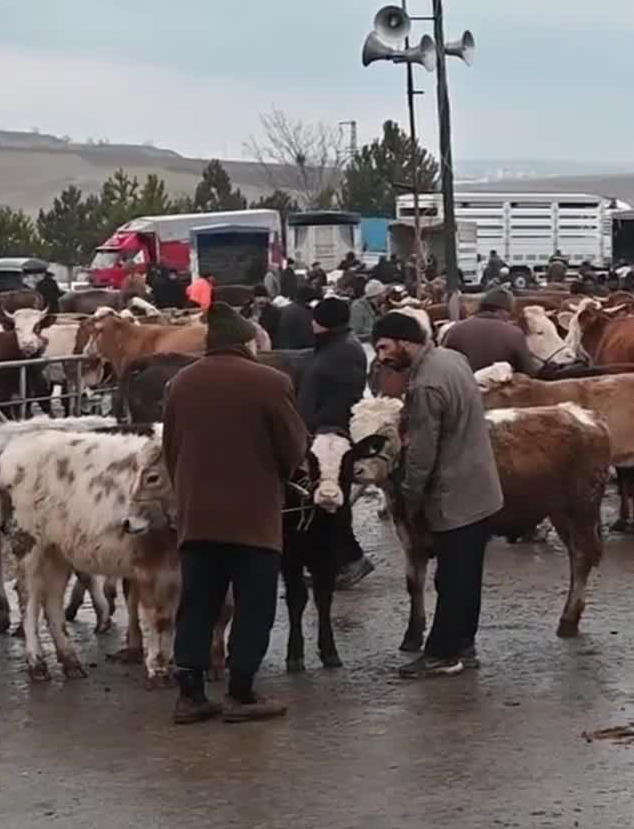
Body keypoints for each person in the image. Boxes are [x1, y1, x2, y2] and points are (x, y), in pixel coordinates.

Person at [161, 301, 306, 723]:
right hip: (253, 517)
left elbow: (170, 449)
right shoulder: (271, 383)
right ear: (246, 342)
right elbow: (294, 449)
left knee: (197, 603)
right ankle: (241, 692)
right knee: (253, 604)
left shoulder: (180, 383)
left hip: (196, 517)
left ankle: (190, 694)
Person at [372, 310, 503, 678]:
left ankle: (443, 654)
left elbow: (422, 453)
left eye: (384, 347)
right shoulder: (452, 358)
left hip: (453, 493)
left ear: (405, 340)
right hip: (481, 486)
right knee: (466, 574)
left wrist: (409, 497)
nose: (381, 358)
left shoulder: (425, 385)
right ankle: (464, 645)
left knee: (453, 578)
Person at [299, 297, 377, 590]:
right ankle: (337, 561)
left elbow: (343, 397)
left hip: (331, 440)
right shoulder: (336, 346)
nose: (311, 323)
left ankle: (350, 560)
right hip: (325, 435)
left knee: (331, 502)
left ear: (324, 322)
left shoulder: (342, 352)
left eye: (315, 318)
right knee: (326, 502)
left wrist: (319, 426)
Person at [442, 287, 543, 374]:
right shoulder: (514, 334)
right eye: (509, 312)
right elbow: (527, 371)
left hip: (463, 391)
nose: (509, 317)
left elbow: (444, 365)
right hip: (499, 394)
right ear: (502, 311)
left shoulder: (454, 330)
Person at [272, 285, 316, 351]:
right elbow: (308, 338)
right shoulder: (306, 313)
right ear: (308, 301)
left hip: (280, 350)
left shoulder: (283, 310)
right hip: (299, 352)